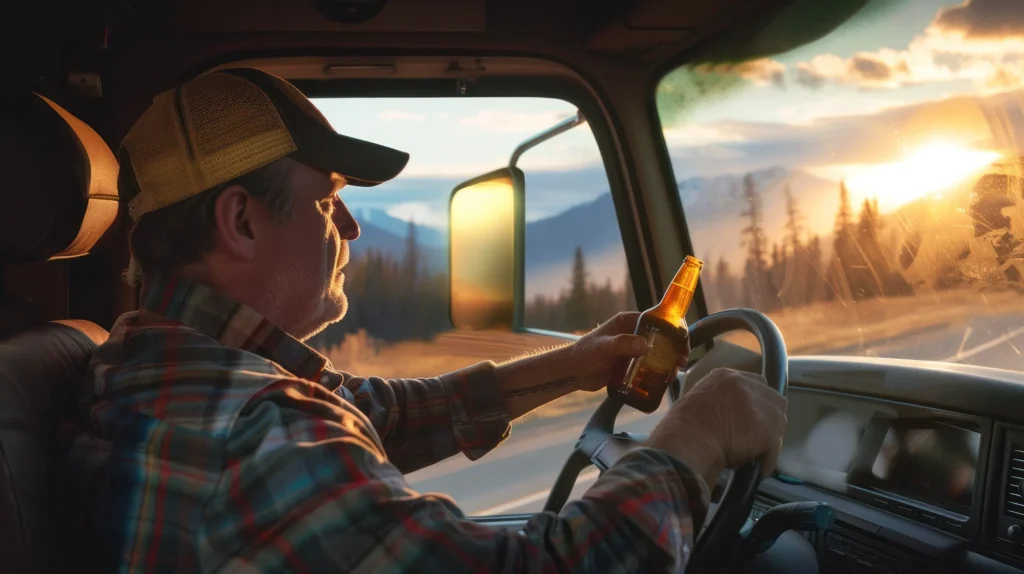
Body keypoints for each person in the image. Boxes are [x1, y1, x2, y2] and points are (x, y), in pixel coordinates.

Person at [66, 67, 788, 573]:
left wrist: (571, 365)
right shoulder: (255, 433)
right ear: (241, 220)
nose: (349, 228)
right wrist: (696, 437)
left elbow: (366, 412)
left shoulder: (149, 356)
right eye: (326, 202)